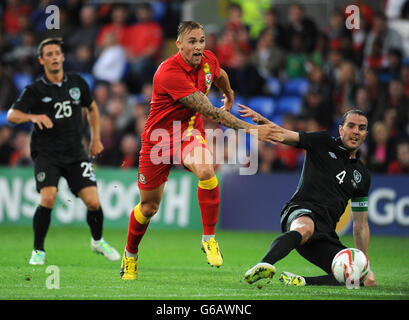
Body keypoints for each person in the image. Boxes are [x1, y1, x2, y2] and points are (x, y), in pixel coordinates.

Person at [120, 21, 281, 280]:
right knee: (149, 207)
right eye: (192, 41)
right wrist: (252, 130)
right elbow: (210, 111)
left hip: (188, 132)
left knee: (206, 170)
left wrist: (228, 93)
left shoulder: (208, 59)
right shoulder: (168, 73)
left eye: (202, 40)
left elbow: (219, 74)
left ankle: (209, 238)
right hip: (158, 140)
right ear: (179, 44)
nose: (198, 46)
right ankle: (130, 256)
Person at [7, 38, 120, 265]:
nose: (54, 57)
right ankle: (38, 250)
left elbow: (92, 108)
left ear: (63, 56)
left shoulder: (77, 82)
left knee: (94, 202)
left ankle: (97, 241)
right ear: (41, 60)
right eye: (48, 54)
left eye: (57, 53)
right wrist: (33, 116)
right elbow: (12, 115)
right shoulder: (35, 89)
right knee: (48, 197)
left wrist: (96, 138)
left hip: (75, 152)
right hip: (46, 153)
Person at [238, 105, 377, 287]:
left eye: (361, 128)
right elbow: (283, 134)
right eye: (351, 126)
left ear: (366, 134)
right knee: (305, 228)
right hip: (301, 211)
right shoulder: (322, 141)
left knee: (360, 279)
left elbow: (360, 225)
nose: (356, 131)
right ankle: (264, 264)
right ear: (341, 129)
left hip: (325, 234)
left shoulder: (363, 176)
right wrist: (262, 122)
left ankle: (301, 281)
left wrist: (363, 263)